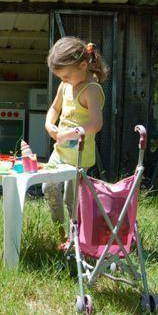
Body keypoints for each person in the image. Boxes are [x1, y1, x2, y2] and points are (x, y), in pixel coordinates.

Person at [43, 37, 109, 234]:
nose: (63, 81)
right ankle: (59, 231)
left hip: (79, 157)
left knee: (71, 199)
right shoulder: (65, 86)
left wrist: (69, 134)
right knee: (48, 187)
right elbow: (55, 108)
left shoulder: (91, 90)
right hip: (60, 152)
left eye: (66, 76)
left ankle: (76, 238)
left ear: (82, 65)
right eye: (61, 78)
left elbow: (96, 124)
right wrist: (49, 124)